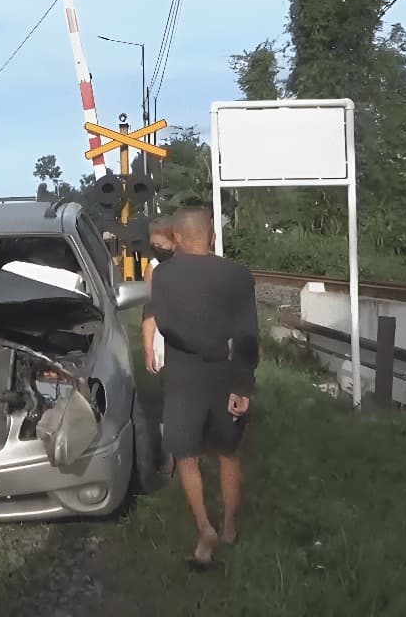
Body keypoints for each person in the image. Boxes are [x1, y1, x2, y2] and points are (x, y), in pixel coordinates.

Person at [147, 207, 260, 569]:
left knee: (186, 456)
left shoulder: (163, 275)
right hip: (227, 375)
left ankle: (204, 528)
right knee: (228, 453)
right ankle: (229, 527)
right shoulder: (238, 275)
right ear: (210, 235)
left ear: (177, 237)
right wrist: (243, 384)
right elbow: (247, 336)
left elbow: (166, 326)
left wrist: (198, 346)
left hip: (183, 378)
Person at [142, 215, 177, 376]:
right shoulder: (153, 268)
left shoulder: (188, 263)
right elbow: (149, 310)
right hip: (163, 337)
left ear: (175, 240)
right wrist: (148, 348)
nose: (157, 249)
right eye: (153, 245)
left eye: (161, 245)